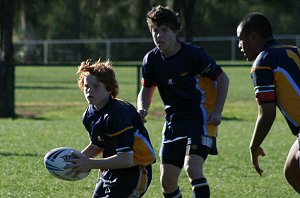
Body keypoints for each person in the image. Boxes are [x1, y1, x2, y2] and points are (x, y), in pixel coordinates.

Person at [137, 5, 229, 198]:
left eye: (164, 31)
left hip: (201, 120)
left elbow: (222, 79)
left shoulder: (194, 54)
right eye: (155, 31)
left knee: (192, 168)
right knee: (167, 182)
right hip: (174, 123)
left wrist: (218, 111)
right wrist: (142, 108)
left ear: (175, 31)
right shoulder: (151, 60)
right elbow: (146, 90)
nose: (159, 36)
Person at [65, 59, 156, 198]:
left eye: (96, 86)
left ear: (109, 89)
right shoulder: (89, 114)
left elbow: (126, 159)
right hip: (110, 168)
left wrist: (88, 163)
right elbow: (97, 145)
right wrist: (75, 162)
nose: (89, 90)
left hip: (134, 170)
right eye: (86, 86)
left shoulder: (118, 114)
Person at [237, 12, 300, 193]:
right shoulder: (293, 50)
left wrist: (254, 146)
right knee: (292, 170)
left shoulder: (263, 62)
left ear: (254, 37)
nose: (239, 45)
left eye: (240, 39)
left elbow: (267, 113)